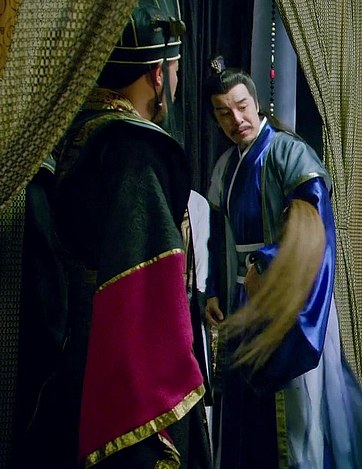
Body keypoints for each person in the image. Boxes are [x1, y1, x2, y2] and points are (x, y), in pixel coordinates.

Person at [21, 2, 212, 467]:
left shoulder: (73, 131)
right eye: (175, 69)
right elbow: (144, 301)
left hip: (73, 361)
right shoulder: (133, 149)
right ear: (157, 74)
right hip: (121, 377)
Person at [203, 58, 362, 468]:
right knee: (246, 407)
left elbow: (313, 229)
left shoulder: (290, 153)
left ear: (256, 103)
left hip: (291, 294)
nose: (236, 120)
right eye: (224, 113)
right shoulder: (225, 167)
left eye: (241, 106)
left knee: (299, 411)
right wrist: (215, 289)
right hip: (242, 297)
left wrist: (266, 263)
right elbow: (218, 237)